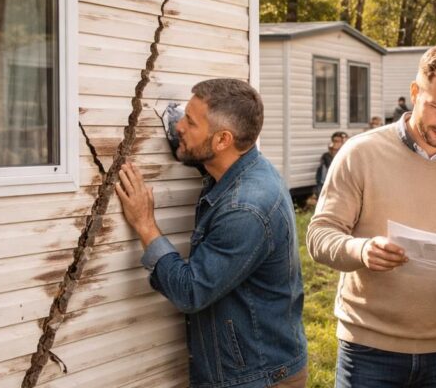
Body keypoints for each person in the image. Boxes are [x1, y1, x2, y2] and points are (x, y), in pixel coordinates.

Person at [306, 44, 436, 388]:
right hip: (368, 347)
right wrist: (362, 250)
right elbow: (320, 235)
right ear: (415, 93)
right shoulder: (360, 153)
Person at [115, 78, 307, 387]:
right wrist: (186, 134)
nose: (180, 127)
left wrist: (145, 224)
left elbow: (191, 291)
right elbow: (200, 150)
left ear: (222, 141)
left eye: (190, 122)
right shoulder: (242, 166)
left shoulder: (246, 208)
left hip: (257, 378)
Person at [314, 131, 348, 198]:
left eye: (338, 141)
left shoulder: (347, 155)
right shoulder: (326, 156)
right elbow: (323, 178)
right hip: (330, 190)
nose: (336, 143)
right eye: (334, 141)